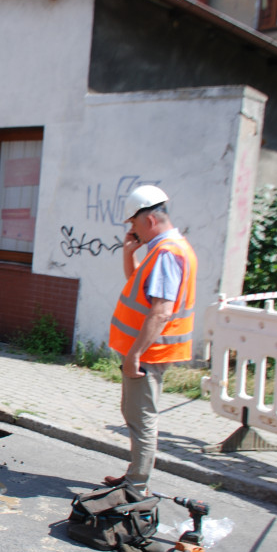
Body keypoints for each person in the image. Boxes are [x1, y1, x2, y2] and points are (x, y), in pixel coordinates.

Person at [105, 185, 197, 494]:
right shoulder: (161, 249)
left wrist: (134, 355)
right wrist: (129, 254)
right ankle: (134, 475)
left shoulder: (167, 253)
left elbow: (161, 311)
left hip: (149, 354)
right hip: (146, 351)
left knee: (142, 419)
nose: (131, 229)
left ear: (150, 221)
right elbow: (138, 287)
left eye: (133, 223)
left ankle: (136, 486)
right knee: (132, 413)